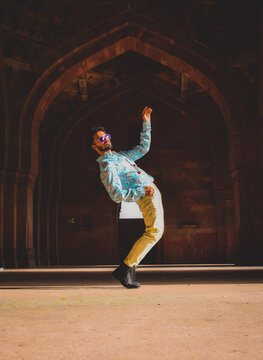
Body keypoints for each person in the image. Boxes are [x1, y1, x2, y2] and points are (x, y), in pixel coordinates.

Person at [88, 106, 164, 288]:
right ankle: (126, 268)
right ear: (94, 146)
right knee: (154, 232)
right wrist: (141, 192)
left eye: (106, 137)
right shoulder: (107, 165)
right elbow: (116, 195)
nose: (105, 140)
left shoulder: (120, 157)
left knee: (155, 232)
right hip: (146, 195)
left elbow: (143, 148)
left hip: (151, 193)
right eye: (100, 139)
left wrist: (146, 122)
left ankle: (127, 268)